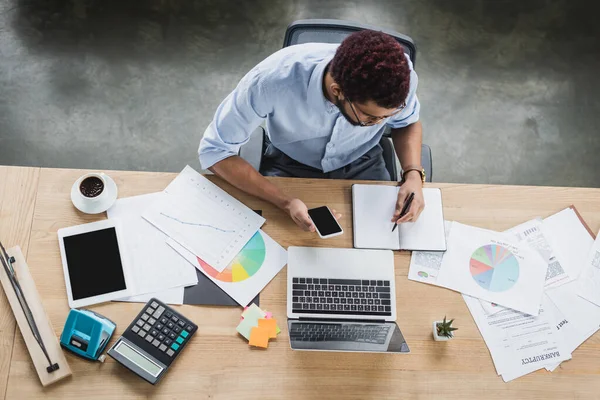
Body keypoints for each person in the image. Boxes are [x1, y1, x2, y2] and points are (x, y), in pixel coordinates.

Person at [199, 30, 425, 232]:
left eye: (386, 116)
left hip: (362, 160)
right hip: (289, 163)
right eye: (370, 116)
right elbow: (215, 151)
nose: (379, 124)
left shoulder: (400, 79)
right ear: (338, 91)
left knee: (384, 245)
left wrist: (413, 174)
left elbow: (407, 122)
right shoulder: (270, 81)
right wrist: (284, 202)